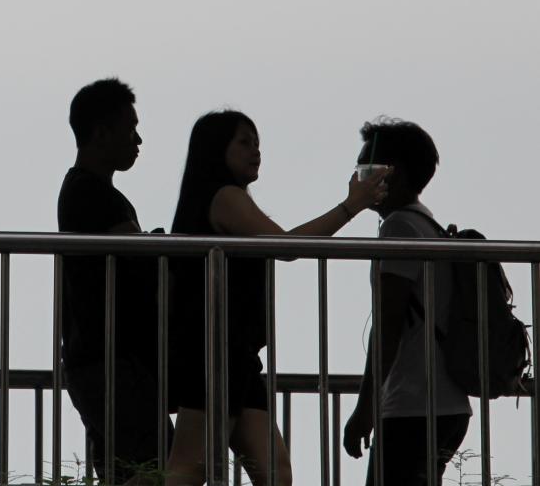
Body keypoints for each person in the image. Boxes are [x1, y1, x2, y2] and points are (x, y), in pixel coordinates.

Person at [166, 110, 389, 486]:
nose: (256, 151)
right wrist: (351, 205)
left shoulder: (222, 197)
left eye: (257, 143)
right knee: (189, 467)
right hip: (212, 352)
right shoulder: (224, 196)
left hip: (232, 353)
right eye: (244, 142)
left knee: (273, 469)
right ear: (216, 148)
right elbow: (286, 246)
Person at [342, 119, 469, 486]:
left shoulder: (399, 229)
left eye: (366, 169)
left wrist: (364, 411)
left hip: (413, 407)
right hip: (448, 405)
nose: (358, 179)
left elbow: (388, 325)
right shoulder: (427, 225)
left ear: (391, 174)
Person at [56, 78, 170, 484]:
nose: (137, 140)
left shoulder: (87, 191)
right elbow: (136, 255)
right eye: (129, 128)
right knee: (155, 463)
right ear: (101, 132)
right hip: (109, 361)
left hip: (102, 359)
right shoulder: (90, 194)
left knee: (128, 467)